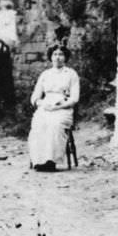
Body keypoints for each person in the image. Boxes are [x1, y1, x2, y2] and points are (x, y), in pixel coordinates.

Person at [28, 44, 80, 172]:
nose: (58, 58)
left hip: (63, 108)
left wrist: (60, 105)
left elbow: (74, 98)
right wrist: (42, 104)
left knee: (55, 125)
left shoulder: (71, 74)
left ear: (66, 57)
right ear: (51, 57)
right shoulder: (45, 74)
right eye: (55, 54)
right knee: (39, 124)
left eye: (61, 55)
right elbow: (35, 97)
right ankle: (39, 160)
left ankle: (51, 161)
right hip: (46, 107)